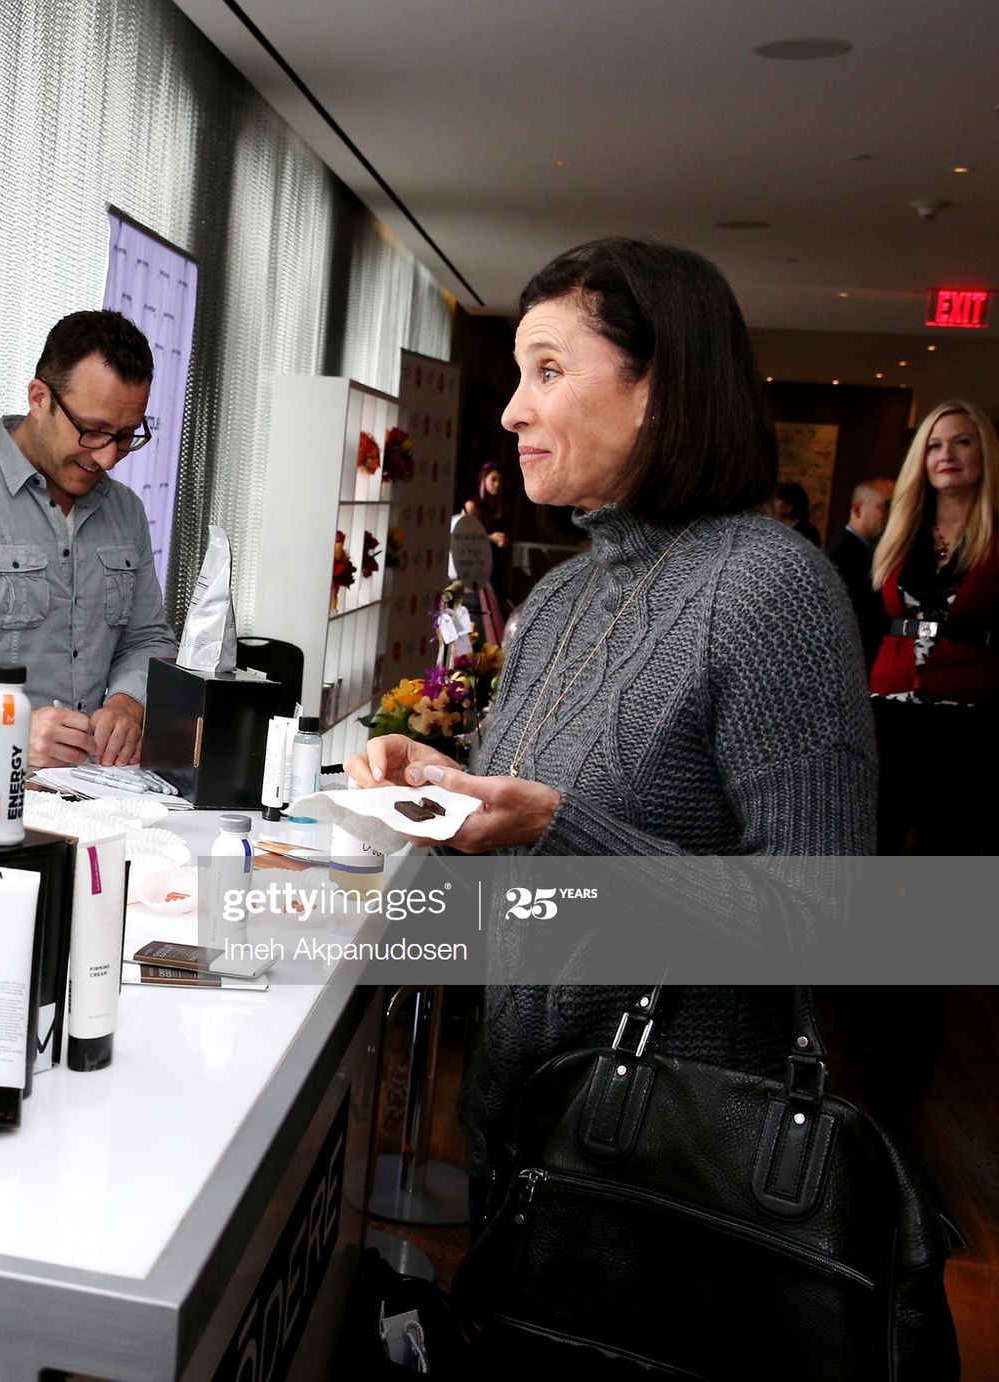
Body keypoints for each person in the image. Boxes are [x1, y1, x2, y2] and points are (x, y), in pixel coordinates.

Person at [343, 237, 874, 1208]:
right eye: (519, 374)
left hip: (668, 1172)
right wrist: (440, 782)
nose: (513, 410)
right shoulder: (560, 597)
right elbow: (527, 846)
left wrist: (557, 828)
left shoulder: (773, 590)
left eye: (548, 371)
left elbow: (823, 923)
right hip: (524, 1128)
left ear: (659, 391)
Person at [0, 311, 178, 768]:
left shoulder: (127, 513)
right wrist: (7, 724)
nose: (107, 458)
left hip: (91, 796)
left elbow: (146, 638)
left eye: (124, 437)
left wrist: (126, 703)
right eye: (93, 431)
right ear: (39, 398)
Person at [869, 400, 999, 854]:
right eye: (935, 446)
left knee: (947, 850)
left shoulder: (994, 536)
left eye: (962, 442)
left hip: (969, 715)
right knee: (875, 841)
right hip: (889, 705)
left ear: (985, 453)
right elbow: (870, 622)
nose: (947, 455)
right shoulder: (902, 531)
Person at [826, 476, 894, 669]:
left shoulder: (872, 552)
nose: (893, 516)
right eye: (887, 506)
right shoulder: (841, 556)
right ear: (857, 509)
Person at [461, 459, 513, 607]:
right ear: (483, 480)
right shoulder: (472, 506)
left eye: (500, 480)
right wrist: (490, 538)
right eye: (493, 479)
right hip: (476, 567)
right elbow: (462, 537)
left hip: (497, 567)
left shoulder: (502, 506)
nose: (497, 484)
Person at [772, 479, 823, 547]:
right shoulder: (775, 528)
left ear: (789, 506)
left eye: (777, 500)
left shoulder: (807, 532)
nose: (774, 505)